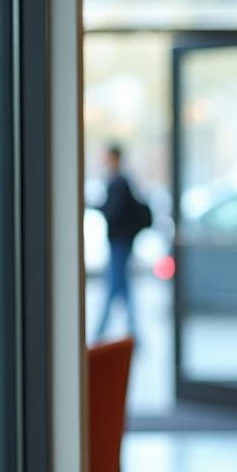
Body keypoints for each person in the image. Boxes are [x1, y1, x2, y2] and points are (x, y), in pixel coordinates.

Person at [95, 144, 145, 343]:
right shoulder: (120, 181)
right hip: (121, 242)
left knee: (114, 286)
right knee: (121, 288)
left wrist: (98, 207)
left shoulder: (118, 182)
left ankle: (99, 333)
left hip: (120, 242)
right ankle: (133, 333)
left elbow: (113, 212)